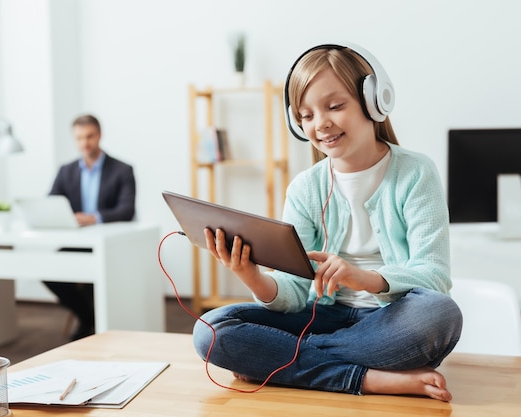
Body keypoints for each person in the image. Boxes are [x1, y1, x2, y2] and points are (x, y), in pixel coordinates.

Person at [192, 43, 462, 401]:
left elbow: (434, 275)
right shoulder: (306, 187)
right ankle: (367, 378)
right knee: (211, 330)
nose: (321, 123)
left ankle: (281, 362)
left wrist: (363, 278)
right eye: (306, 116)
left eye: (335, 106)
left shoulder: (415, 172)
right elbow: (292, 293)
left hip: (390, 322)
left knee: (439, 314)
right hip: (321, 316)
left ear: (373, 101)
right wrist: (250, 274)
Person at [44, 114, 136, 340]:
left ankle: (93, 325)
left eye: (89, 136)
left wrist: (93, 218)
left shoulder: (122, 170)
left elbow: (127, 210)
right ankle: (88, 318)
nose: (85, 143)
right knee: (48, 270)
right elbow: (51, 203)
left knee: (93, 277)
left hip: (109, 244)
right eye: (79, 138)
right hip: (78, 242)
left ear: (99, 135)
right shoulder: (66, 171)